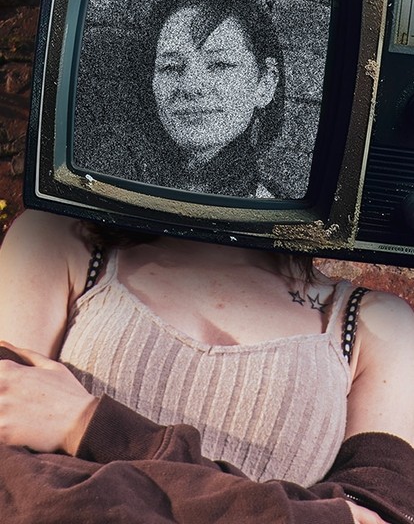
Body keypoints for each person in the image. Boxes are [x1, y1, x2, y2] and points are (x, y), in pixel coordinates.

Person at [0, 208, 414, 523]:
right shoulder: (55, 238)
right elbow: (13, 489)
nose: (199, 90)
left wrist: (88, 426)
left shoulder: (377, 325)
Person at [81, 0, 285, 197]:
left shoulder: (274, 211)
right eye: (170, 67)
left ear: (265, 84)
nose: (190, 86)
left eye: (220, 64)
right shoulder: (99, 174)